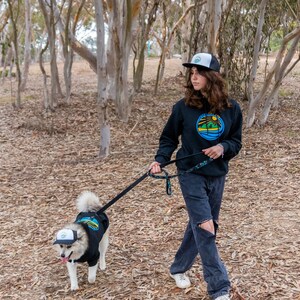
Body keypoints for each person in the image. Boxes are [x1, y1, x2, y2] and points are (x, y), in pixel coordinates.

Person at [149, 52, 242, 300]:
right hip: (190, 173)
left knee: (199, 226)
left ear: (213, 77)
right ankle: (219, 288)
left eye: (199, 72)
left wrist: (223, 148)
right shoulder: (182, 108)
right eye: (192, 72)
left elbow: (235, 141)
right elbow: (169, 137)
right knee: (206, 227)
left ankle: (178, 267)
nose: (194, 77)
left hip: (217, 175)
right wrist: (160, 159)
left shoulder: (232, 109)